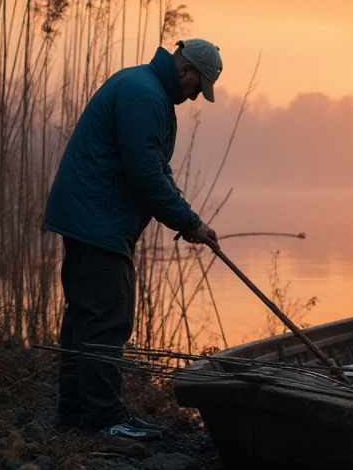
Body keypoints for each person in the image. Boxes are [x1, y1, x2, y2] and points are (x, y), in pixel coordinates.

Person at [43, 39, 223, 441]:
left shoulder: (144, 87)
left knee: (83, 320)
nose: (194, 97)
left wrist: (189, 220)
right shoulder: (146, 95)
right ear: (185, 71)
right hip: (98, 221)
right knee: (107, 320)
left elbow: (156, 169)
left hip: (88, 217)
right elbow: (145, 175)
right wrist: (188, 221)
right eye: (198, 88)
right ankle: (103, 419)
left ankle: (75, 416)